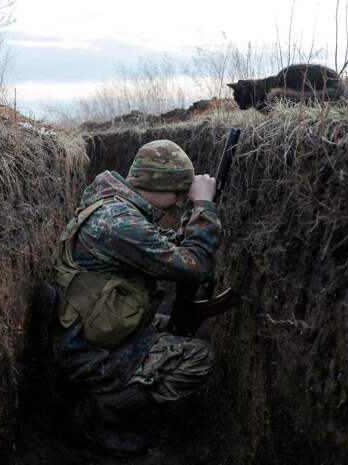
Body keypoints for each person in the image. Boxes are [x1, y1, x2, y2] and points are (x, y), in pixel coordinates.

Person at [36, 139, 221, 454]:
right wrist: (203, 207)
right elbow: (195, 267)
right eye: (178, 193)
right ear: (157, 185)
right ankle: (98, 410)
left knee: (165, 324)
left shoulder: (113, 206)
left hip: (85, 333)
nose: (178, 203)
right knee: (197, 357)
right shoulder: (120, 223)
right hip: (89, 353)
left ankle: (95, 392)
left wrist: (194, 217)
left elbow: (161, 244)